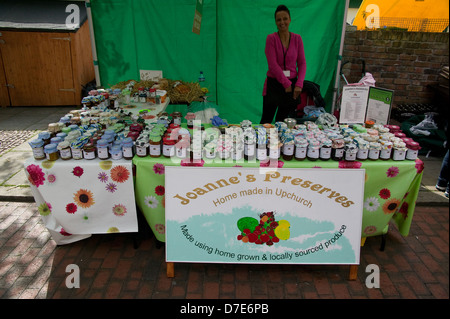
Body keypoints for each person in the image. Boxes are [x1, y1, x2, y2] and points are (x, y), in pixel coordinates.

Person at [260, 5, 306, 124]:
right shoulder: (271, 39)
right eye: (279, 20)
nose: (282, 22)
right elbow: (272, 65)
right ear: (275, 22)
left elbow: (302, 63)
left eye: (285, 18)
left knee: (283, 122)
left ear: (290, 19)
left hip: (292, 86)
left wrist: (299, 84)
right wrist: (286, 83)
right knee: (266, 120)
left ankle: (281, 143)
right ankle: (262, 142)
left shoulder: (297, 39)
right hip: (274, 85)